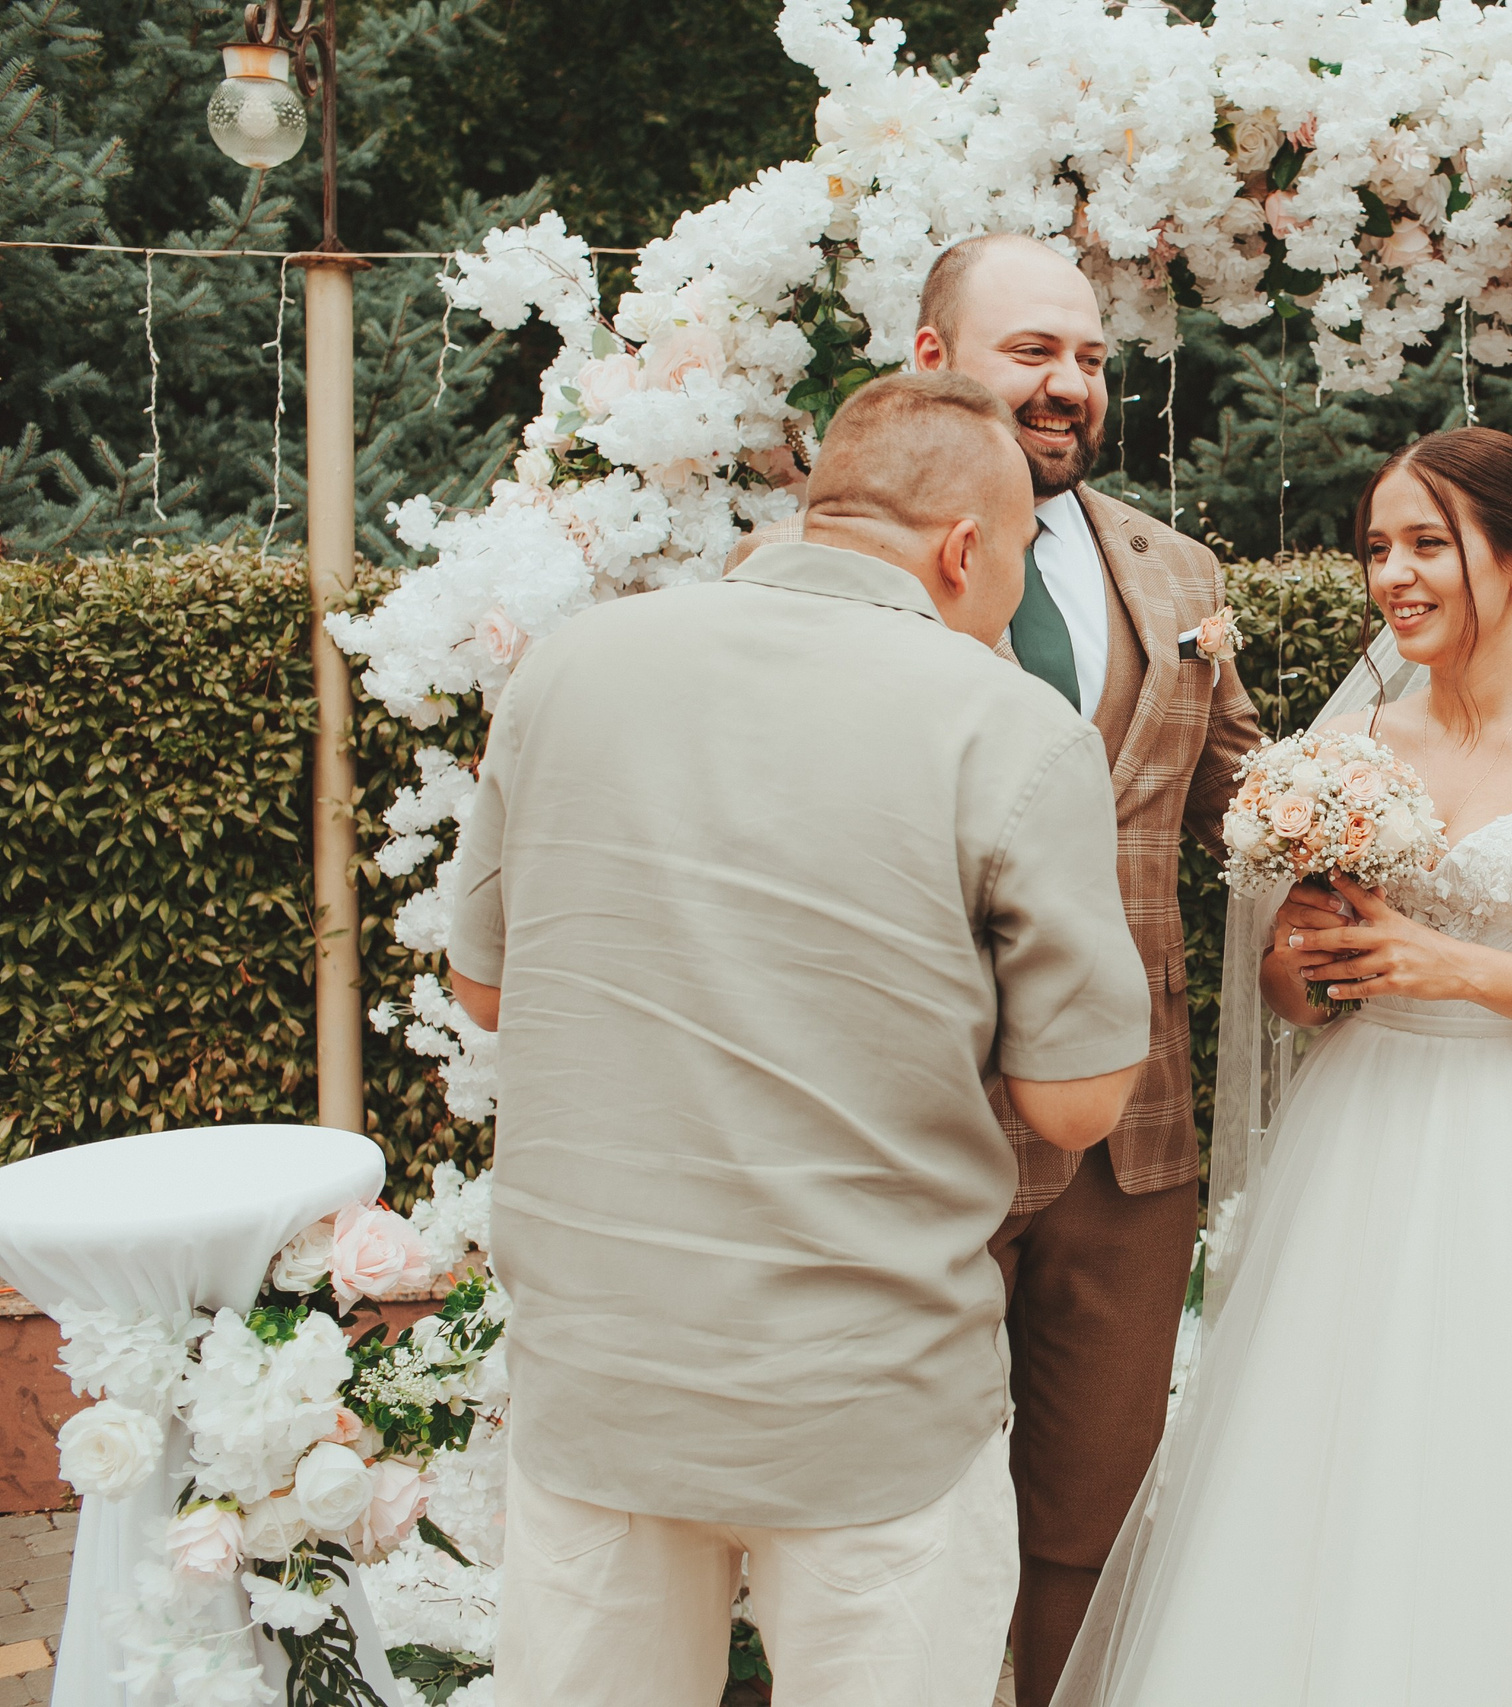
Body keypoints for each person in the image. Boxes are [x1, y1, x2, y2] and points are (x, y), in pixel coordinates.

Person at [1053, 427, 1512, 1706]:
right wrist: (1313, 959)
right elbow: (1298, 989)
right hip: (1366, 1144)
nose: (1392, 575)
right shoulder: (1353, 751)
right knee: (1334, 1466)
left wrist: (1455, 969)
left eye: (1425, 545)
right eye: (1376, 549)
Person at [442, 372, 1154, 1707]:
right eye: (1011, 564)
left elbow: (485, 990)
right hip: (864, 1395)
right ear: (962, 548)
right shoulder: (1006, 724)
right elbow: (1077, 1103)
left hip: (607, 1369)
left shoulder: (574, 667)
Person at [901, 232, 1264, 1707]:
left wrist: (1384, 829)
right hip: (907, 1117)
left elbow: (1237, 787)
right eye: (1030, 351)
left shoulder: (1173, 566)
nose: (1068, 386)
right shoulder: (842, 563)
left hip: (1133, 1124)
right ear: (931, 360)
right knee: (903, 1515)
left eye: (1090, 357)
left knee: (1093, 1519)